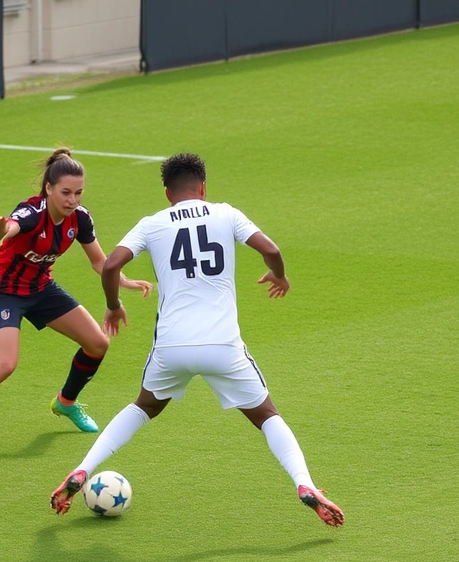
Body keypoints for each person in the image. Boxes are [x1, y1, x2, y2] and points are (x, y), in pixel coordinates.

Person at [49, 153, 344, 527]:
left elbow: (110, 265)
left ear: (167, 193)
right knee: (266, 415)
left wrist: (113, 305)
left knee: (143, 408)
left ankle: (81, 470)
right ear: (202, 187)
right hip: (222, 346)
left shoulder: (152, 224)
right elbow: (270, 249)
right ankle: (305, 485)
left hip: (171, 346)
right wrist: (279, 276)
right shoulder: (225, 213)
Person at [0, 148, 152, 465]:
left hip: (41, 289)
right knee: (4, 365)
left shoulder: (79, 218)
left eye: (78, 193)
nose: (73, 200)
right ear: (48, 189)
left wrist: (124, 281)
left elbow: (99, 261)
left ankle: (66, 402)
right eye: (66, 193)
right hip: (3, 292)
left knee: (97, 344)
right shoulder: (30, 213)